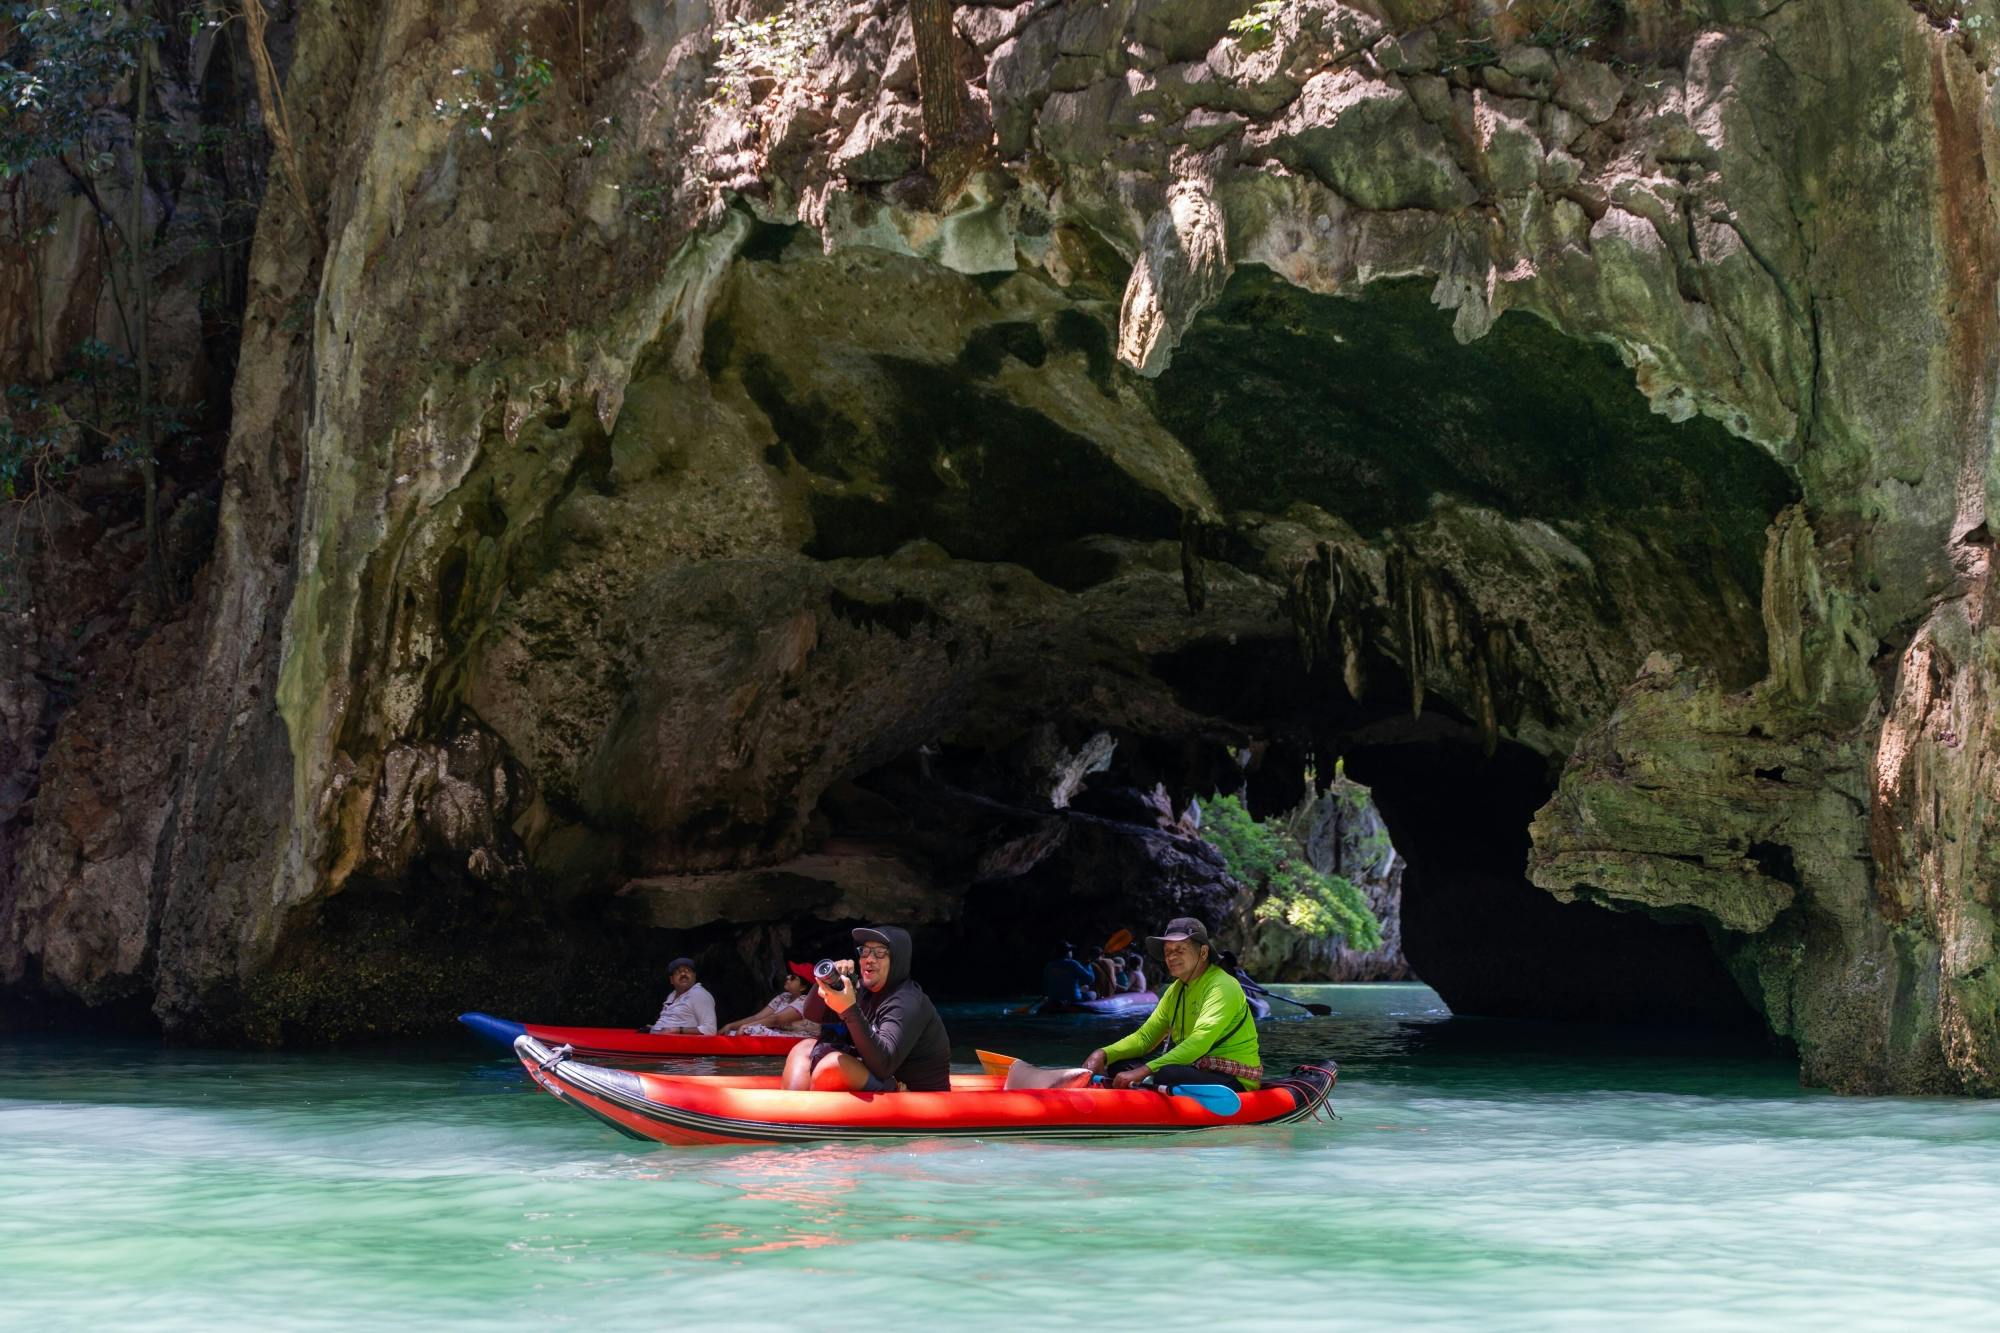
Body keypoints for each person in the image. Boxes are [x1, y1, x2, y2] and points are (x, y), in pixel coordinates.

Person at [1081, 917, 1261, 1091]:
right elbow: (1145, 1038)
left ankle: (1149, 1090)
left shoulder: (1222, 986)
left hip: (1233, 1077)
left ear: (1203, 952)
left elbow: (1198, 1043)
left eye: (1180, 950)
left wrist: (1144, 1071)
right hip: (1193, 1069)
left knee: (1167, 1074)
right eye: (1167, 952)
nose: (1171, 957)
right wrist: (1103, 1054)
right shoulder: (1174, 990)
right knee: (1119, 1063)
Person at [782, 925, 951, 1092]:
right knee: (803, 1049)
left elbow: (884, 1065)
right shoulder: (860, 989)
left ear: (897, 960)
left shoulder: (908, 1001)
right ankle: (794, 1108)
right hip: (878, 1074)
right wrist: (829, 982)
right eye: (865, 951)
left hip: (911, 1092)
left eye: (880, 952)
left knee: (832, 1065)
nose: (869, 959)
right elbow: (812, 1014)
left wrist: (849, 1009)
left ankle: (892, 1089)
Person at [720, 962, 822, 1037]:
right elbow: (757, 1017)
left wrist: (746, 1027)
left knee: (750, 1030)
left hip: (797, 1038)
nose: (788, 977)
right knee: (730, 1032)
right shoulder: (784, 997)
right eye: (789, 974)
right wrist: (730, 1025)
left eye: (793, 977)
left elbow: (776, 1019)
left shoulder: (805, 1001)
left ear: (803, 987)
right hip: (779, 1034)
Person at [649, 956, 718, 1035]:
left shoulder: (699, 994)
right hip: (656, 1037)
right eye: (678, 972)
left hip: (676, 1041)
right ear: (671, 980)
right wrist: (655, 1028)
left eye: (687, 971)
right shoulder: (672, 995)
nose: (683, 974)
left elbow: (710, 1030)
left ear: (694, 976)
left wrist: (679, 1030)